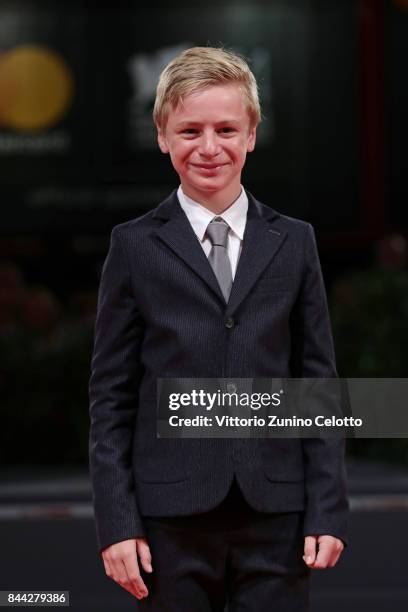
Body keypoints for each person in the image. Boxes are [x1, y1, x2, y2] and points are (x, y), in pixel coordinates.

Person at [89, 46, 348, 611]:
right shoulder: (132, 246)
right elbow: (110, 400)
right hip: (168, 523)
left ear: (252, 134)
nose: (209, 148)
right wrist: (116, 522)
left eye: (227, 128)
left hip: (277, 517)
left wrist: (327, 508)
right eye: (190, 131)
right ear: (162, 136)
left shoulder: (295, 242)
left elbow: (318, 383)